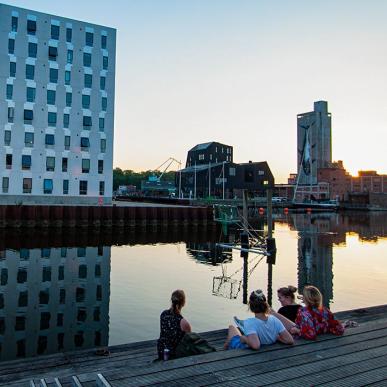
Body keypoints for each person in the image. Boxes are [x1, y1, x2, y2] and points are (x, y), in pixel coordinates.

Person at [224, 290, 294, 350]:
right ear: (265, 305)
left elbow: (256, 345)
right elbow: (290, 340)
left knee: (231, 328)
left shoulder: (249, 322)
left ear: (250, 306)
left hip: (245, 348)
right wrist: (277, 338)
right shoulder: (274, 319)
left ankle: (224, 350)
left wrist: (244, 339)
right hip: (268, 348)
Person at [157, 289, 192, 360]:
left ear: (171, 300)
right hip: (174, 354)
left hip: (161, 350)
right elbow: (189, 341)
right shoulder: (184, 322)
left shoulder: (163, 314)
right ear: (183, 303)